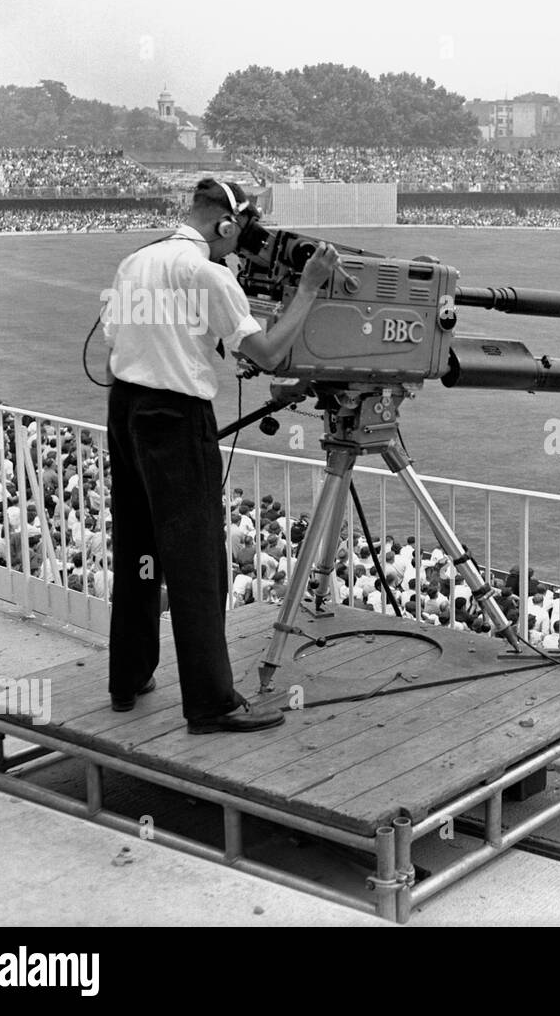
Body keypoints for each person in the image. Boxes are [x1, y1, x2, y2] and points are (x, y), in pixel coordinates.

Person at [103, 178, 338, 733]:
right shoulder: (206, 272)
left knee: (138, 550)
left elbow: (116, 338)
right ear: (226, 225)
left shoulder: (136, 262)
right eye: (242, 230)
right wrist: (308, 289)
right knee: (196, 561)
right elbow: (270, 354)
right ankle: (210, 703)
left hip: (126, 409)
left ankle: (129, 677)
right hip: (176, 419)